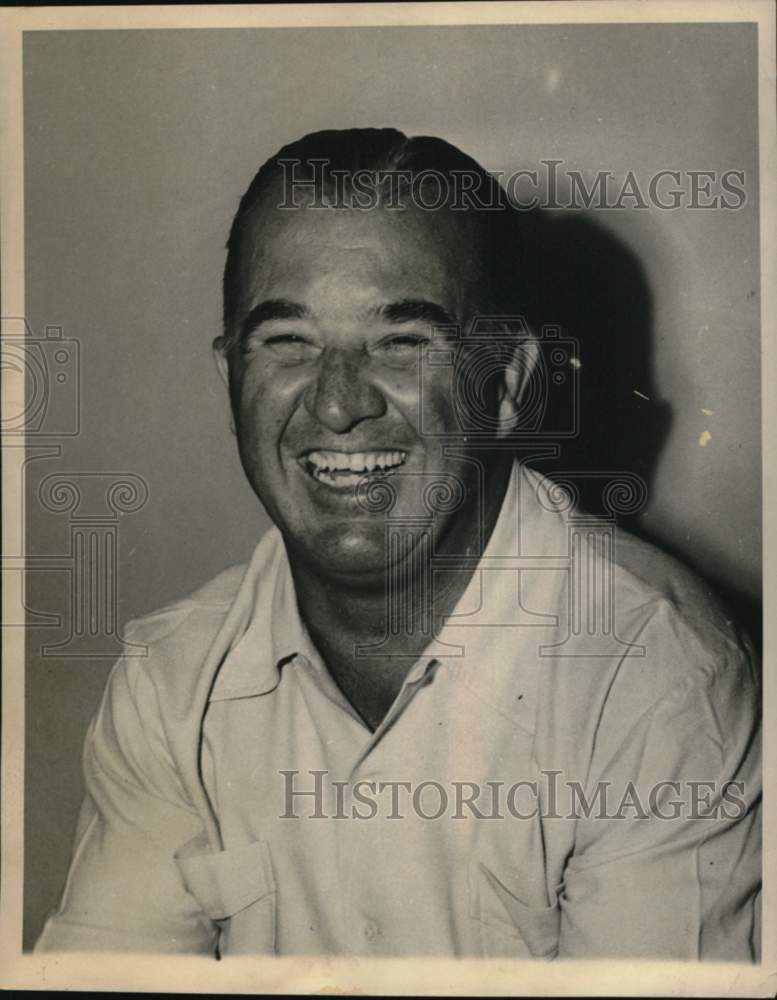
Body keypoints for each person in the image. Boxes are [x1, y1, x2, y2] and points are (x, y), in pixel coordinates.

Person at [35, 128, 760, 959]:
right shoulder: (169, 679)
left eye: (403, 342)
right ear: (229, 377)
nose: (338, 404)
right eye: (288, 342)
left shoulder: (657, 681)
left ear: (509, 383)